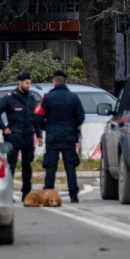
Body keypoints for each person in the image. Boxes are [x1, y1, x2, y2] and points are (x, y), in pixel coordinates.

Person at [35, 70, 86, 203]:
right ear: (65, 81)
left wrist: (46, 127)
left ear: (54, 82)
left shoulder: (47, 98)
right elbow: (81, 116)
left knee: (51, 166)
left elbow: (38, 115)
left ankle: (48, 193)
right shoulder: (73, 97)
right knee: (70, 166)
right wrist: (73, 127)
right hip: (69, 137)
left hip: (52, 137)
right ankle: (73, 195)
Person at [0, 72, 38, 201]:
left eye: (30, 83)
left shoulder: (31, 98)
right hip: (14, 137)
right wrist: (3, 128)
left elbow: (36, 118)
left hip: (28, 137)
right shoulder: (10, 98)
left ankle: (26, 194)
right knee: (11, 166)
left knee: (27, 166)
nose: (29, 85)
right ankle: (8, 194)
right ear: (20, 82)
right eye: (26, 83)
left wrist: (38, 135)